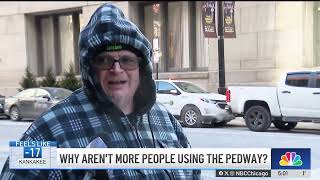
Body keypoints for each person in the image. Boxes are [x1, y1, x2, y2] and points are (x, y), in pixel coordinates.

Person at [0, 3, 201, 180]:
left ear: (142, 68)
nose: (116, 69)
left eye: (127, 60)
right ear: (90, 69)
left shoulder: (165, 120)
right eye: (104, 60)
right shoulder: (48, 130)